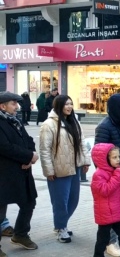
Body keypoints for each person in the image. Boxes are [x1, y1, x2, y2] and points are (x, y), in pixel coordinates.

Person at [39, 95, 91, 243]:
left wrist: (85, 161)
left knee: (73, 200)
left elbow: (82, 144)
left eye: (71, 103)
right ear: (59, 106)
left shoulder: (74, 122)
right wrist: (48, 171)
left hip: (74, 167)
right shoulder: (48, 125)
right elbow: (44, 150)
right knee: (60, 201)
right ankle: (60, 228)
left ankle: (61, 224)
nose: (69, 107)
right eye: (66, 104)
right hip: (58, 170)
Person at [0, 91, 39, 256]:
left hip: (23, 171)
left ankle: (20, 234)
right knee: (0, 210)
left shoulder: (14, 120)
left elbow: (28, 139)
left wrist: (30, 157)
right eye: (13, 103)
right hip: (4, 174)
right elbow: (4, 147)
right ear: (3, 106)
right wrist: (28, 156)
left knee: (29, 202)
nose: (17, 106)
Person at [95, 93, 120, 257]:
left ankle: (115, 242)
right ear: (117, 107)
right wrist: (111, 174)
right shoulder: (104, 126)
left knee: (118, 209)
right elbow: (99, 154)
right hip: (109, 177)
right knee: (109, 212)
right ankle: (109, 242)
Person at [90, 143, 120, 257]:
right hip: (106, 213)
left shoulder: (115, 170)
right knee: (103, 239)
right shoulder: (98, 174)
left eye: (118, 157)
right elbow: (105, 190)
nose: (118, 160)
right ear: (105, 159)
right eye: (114, 157)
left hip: (118, 211)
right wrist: (118, 175)